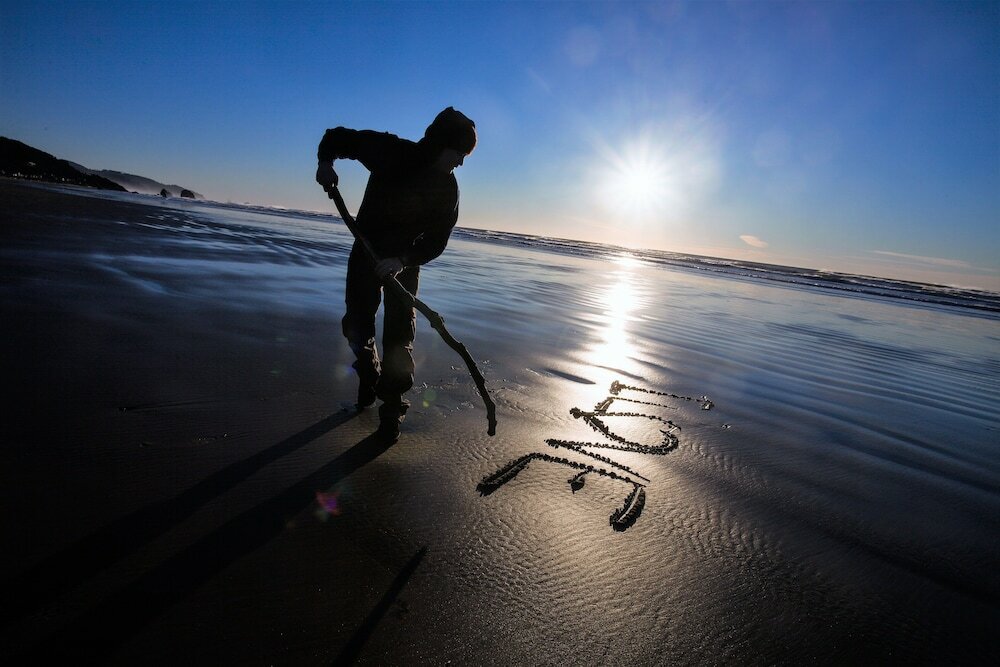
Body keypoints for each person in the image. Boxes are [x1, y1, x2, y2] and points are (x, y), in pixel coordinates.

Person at [315, 107, 476, 443]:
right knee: (357, 324)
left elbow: (437, 241)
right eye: (459, 153)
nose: (461, 162)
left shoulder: (448, 189)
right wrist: (325, 163)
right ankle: (368, 370)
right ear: (440, 144)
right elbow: (338, 137)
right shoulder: (392, 152)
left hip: (404, 265)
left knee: (400, 337)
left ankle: (391, 411)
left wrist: (403, 259)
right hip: (366, 253)